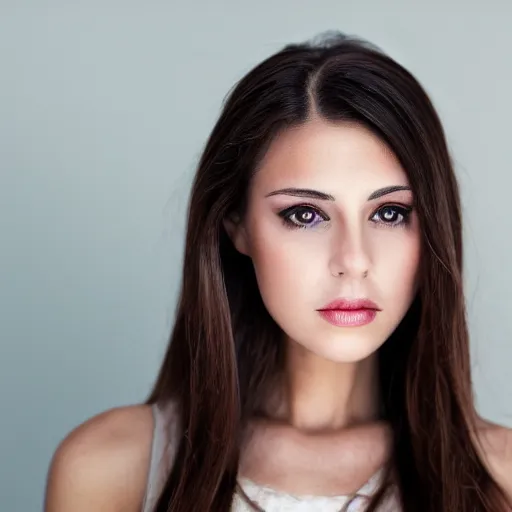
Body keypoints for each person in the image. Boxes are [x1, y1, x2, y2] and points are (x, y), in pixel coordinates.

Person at [44, 32, 512, 512]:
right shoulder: (111, 467)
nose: (353, 259)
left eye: (389, 213)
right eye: (306, 215)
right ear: (237, 226)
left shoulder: (501, 478)